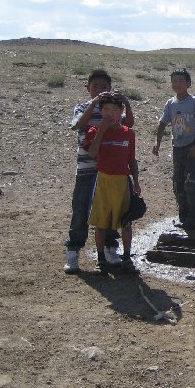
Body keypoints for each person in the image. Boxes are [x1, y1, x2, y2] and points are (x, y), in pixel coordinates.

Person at [63, 69, 134, 274]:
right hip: (86, 167)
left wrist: (125, 104)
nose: (99, 90)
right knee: (81, 208)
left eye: (104, 87)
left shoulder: (113, 109)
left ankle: (110, 249)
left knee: (110, 210)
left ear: (110, 89)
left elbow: (127, 126)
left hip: (109, 170)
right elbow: (77, 125)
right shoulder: (83, 107)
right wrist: (94, 105)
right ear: (88, 88)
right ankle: (73, 251)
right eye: (95, 87)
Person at [83, 94, 141, 273]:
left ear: (121, 112)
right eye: (106, 109)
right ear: (101, 111)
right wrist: (102, 129)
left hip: (122, 182)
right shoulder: (94, 131)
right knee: (100, 223)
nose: (110, 114)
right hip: (103, 181)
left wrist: (137, 182)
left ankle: (127, 258)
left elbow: (132, 160)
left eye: (115, 110)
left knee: (126, 222)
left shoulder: (128, 133)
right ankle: (101, 260)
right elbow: (92, 153)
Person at [153, 68, 195, 229]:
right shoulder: (170, 103)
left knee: (192, 182)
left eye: (181, 81)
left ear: (188, 83)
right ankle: (184, 217)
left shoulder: (194, 101)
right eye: (174, 81)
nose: (177, 84)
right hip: (177, 148)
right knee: (178, 183)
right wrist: (157, 143)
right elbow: (163, 123)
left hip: (192, 146)